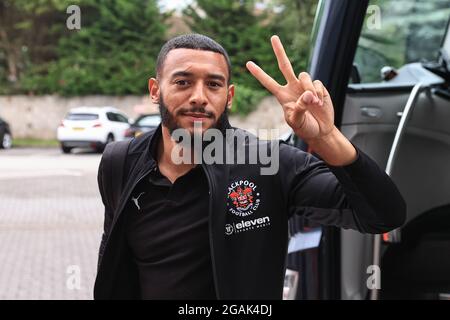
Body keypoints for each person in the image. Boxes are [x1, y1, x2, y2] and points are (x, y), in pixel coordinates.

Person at [94, 33, 406, 300]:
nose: (199, 97)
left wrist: (327, 137)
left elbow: (382, 215)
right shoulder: (119, 162)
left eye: (213, 85)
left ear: (228, 96)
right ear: (155, 90)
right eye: (183, 82)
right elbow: (115, 261)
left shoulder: (269, 163)